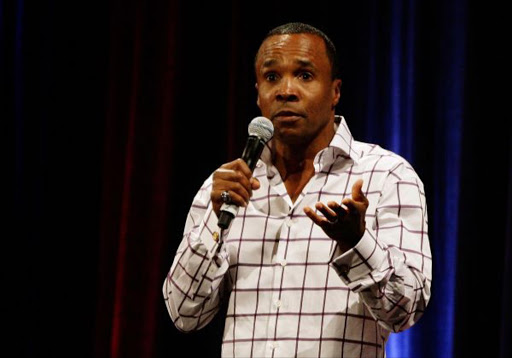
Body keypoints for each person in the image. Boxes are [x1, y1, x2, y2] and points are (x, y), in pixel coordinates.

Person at [163, 22, 431, 357]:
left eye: (305, 75)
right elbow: (185, 314)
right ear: (258, 93)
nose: (285, 90)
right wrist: (212, 225)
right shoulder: (227, 186)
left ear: (335, 91)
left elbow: (405, 310)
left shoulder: (386, 175)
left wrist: (357, 242)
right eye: (272, 77)